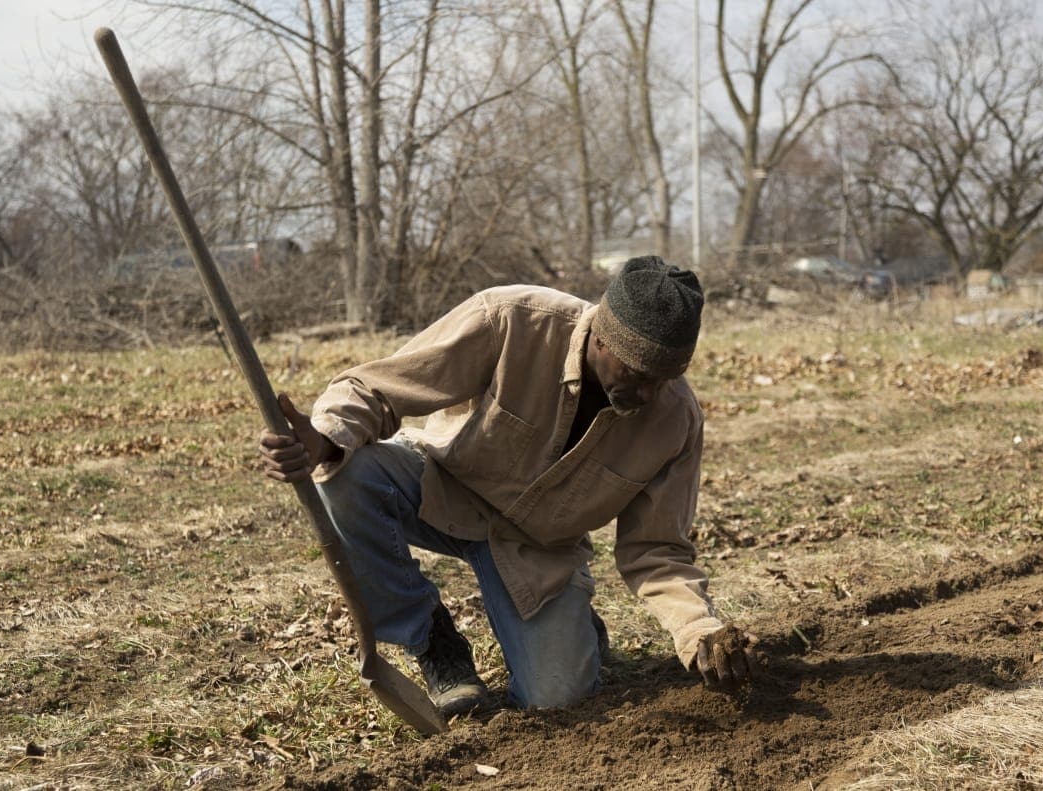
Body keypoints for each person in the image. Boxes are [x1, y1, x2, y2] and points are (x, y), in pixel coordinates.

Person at [258, 256, 758, 716]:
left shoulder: (675, 420)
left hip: (536, 549)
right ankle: (431, 639)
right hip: (443, 488)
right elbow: (377, 388)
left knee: (557, 699)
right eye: (635, 371)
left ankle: (573, 625)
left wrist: (699, 630)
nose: (646, 392)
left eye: (662, 379)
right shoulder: (512, 320)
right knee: (346, 476)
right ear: (602, 335)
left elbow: (657, 549)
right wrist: (325, 440)